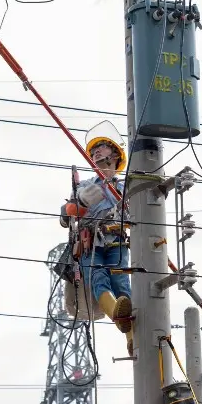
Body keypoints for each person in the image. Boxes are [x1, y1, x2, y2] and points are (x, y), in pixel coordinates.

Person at [60, 135, 134, 355]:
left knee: (122, 283)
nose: (96, 153)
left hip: (116, 239)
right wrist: (80, 203)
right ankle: (120, 319)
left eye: (101, 149)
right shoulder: (84, 186)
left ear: (114, 156)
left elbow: (140, 213)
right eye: (93, 152)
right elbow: (64, 218)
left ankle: (132, 336)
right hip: (89, 242)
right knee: (98, 279)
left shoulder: (125, 186)